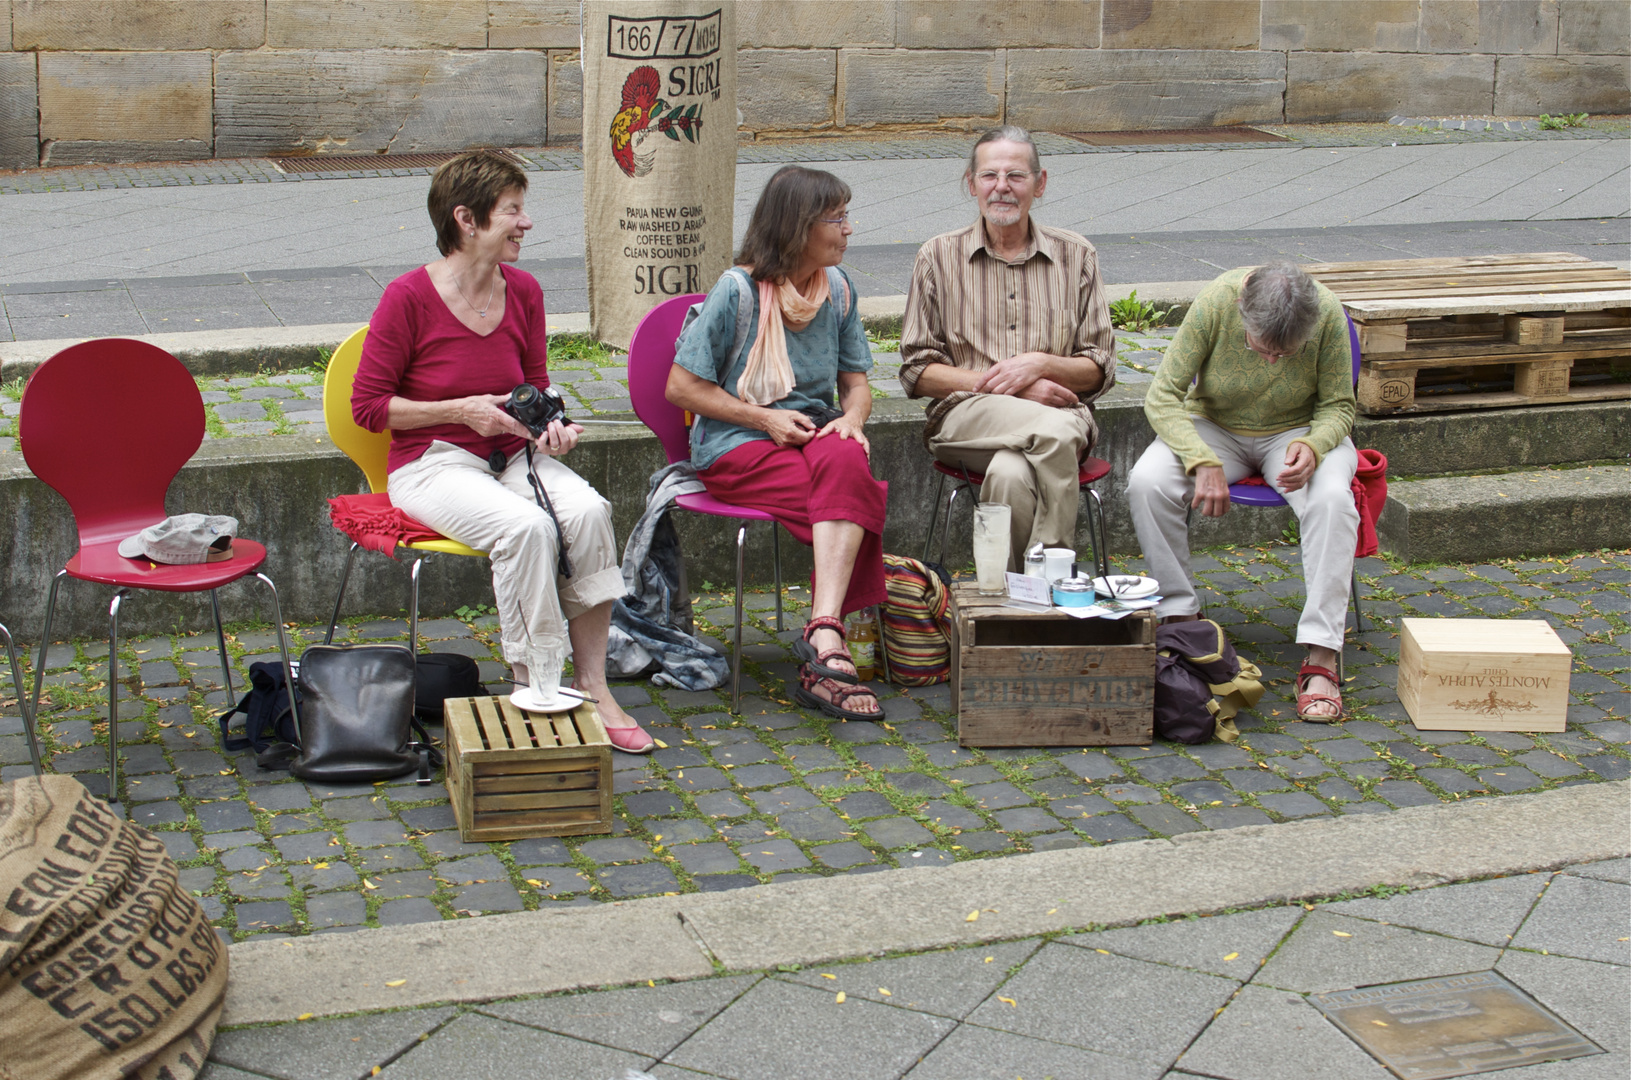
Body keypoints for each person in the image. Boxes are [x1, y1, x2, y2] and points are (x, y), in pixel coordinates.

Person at [351, 149, 654, 752]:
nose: (526, 223)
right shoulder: (407, 297)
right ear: (467, 220)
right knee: (526, 528)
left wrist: (553, 427)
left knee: (590, 511)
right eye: (513, 210)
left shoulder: (524, 291)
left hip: (513, 457)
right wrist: (460, 409)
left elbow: (537, 387)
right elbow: (370, 407)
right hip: (432, 461)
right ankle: (536, 684)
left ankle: (592, 684)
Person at [666, 166, 887, 721]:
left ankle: (823, 631)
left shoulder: (837, 289)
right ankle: (831, 645)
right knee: (855, 497)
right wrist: (764, 419)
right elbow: (681, 387)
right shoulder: (737, 290)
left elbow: (856, 385)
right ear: (798, 227)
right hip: (737, 442)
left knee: (846, 456)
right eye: (836, 219)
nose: (848, 229)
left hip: (809, 433)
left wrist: (852, 422)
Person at [1126, 261, 1359, 722]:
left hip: (1296, 432)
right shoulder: (1217, 300)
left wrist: (1315, 444)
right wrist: (1199, 457)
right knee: (1147, 482)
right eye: (1262, 348)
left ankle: (1322, 654)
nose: (1272, 360)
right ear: (1241, 310)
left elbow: (1339, 405)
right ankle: (1180, 618)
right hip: (1213, 426)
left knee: (1333, 500)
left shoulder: (1326, 312)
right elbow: (1162, 396)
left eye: (1286, 353)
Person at [899, 125, 1117, 567]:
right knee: (1056, 432)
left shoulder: (1077, 256)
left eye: (1016, 176)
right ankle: (1054, 574)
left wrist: (1040, 364)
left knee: (1010, 473)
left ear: (1040, 183)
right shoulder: (938, 256)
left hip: (1058, 412)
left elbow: (1099, 367)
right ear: (971, 183)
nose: (1002, 187)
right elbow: (916, 370)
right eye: (989, 176)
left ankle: (1006, 600)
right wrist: (1005, 386)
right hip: (967, 417)